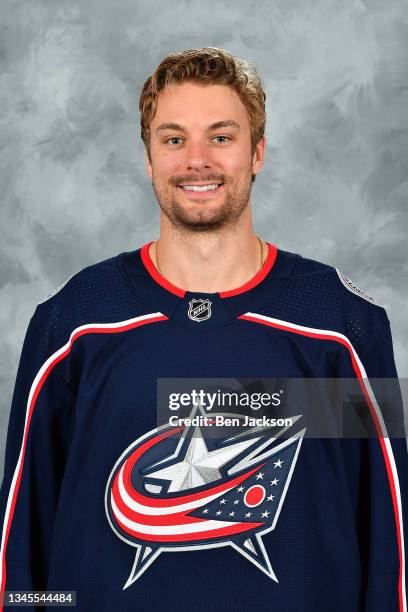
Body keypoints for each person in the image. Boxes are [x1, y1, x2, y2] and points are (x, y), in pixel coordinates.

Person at [0, 47, 406, 612]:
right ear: (147, 157)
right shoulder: (74, 325)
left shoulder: (340, 328)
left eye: (220, 137)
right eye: (173, 139)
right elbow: (21, 544)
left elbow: (392, 544)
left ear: (257, 152)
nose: (197, 160)